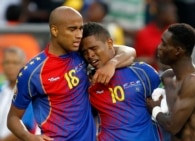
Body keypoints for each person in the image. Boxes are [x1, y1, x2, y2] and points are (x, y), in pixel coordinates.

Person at [7, 6, 135, 141]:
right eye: (72, 29)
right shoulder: (32, 72)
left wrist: (112, 64)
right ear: (55, 30)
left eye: (80, 28)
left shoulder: (82, 53)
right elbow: (13, 118)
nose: (79, 35)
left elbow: (129, 52)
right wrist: (30, 137)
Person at [79, 22, 162, 141]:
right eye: (84, 52)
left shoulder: (143, 72)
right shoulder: (89, 83)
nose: (90, 55)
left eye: (93, 48)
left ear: (109, 43)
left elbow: (167, 111)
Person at [146, 23, 195, 141]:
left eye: (164, 43)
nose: (159, 47)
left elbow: (173, 127)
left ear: (178, 50)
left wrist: (155, 109)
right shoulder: (168, 77)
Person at [0, 47, 39, 141]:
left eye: (15, 63)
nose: (10, 66)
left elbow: (26, 126)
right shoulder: (2, 90)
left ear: (24, 65)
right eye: (7, 62)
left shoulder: (30, 92)